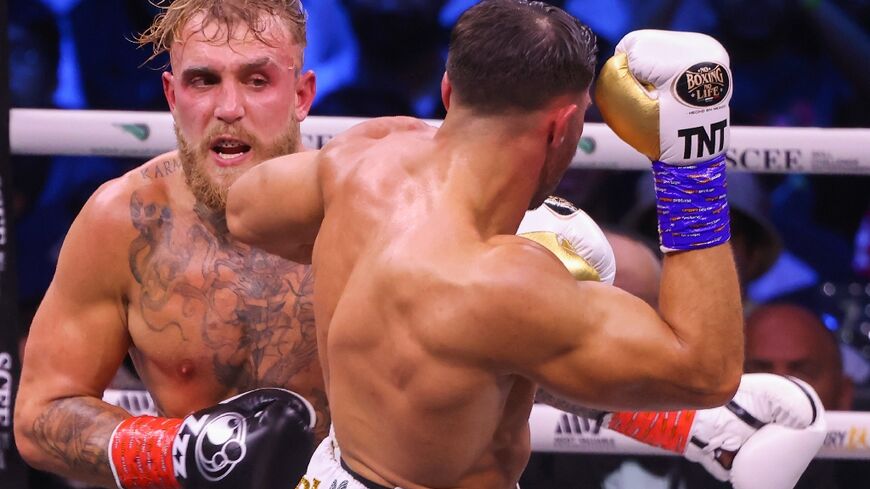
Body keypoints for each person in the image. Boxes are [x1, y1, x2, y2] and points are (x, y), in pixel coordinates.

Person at [226, 2, 824, 488]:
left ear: (448, 90)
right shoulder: (503, 284)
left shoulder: (364, 156)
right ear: (563, 126)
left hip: (337, 469)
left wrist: (377, 254)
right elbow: (707, 371)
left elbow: (245, 209)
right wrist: (690, 164)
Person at [14, 2, 324, 488]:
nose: (228, 108)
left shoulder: (358, 218)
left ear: (302, 95)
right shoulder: (126, 223)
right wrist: (180, 451)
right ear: (172, 95)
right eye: (203, 80)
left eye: (257, 80)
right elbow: (39, 416)